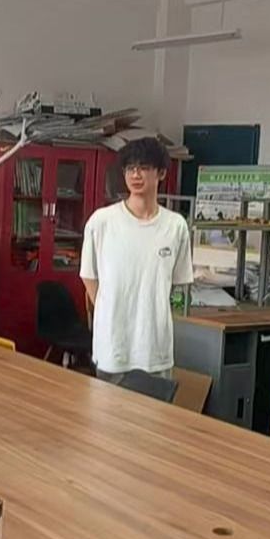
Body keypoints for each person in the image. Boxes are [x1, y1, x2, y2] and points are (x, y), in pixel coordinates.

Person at [80, 137, 192, 383]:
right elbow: (89, 276)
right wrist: (111, 310)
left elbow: (176, 281)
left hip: (155, 348)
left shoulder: (175, 226)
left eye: (143, 167)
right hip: (113, 346)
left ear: (161, 173)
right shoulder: (102, 221)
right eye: (130, 168)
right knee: (106, 407)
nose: (135, 175)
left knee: (153, 408)